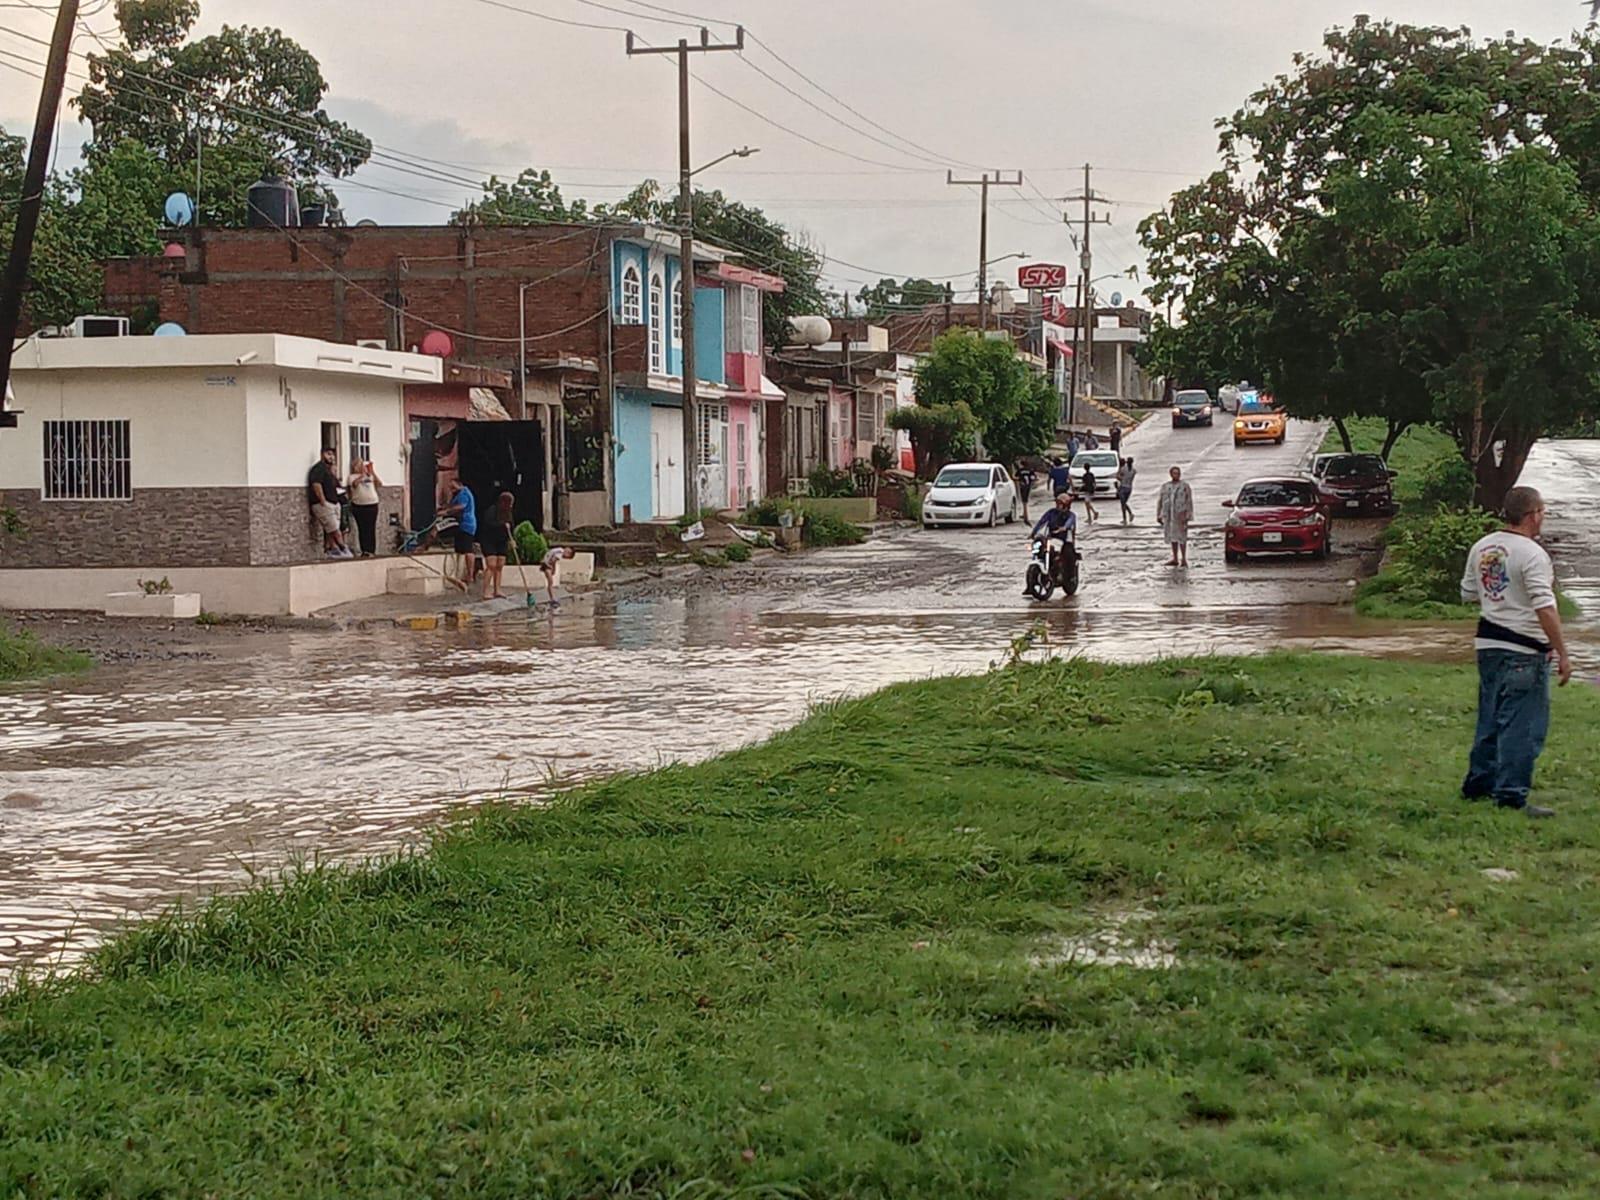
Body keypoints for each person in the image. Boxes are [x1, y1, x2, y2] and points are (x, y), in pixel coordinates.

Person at [1459, 486, 1571, 818]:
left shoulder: (1483, 546)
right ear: (1532, 514)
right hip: (1525, 648)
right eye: (1543, 513)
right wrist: (1563, 652)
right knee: (1523, 724)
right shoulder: (1533, 554)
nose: (1543, 519)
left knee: (1490, 716)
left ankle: (1479, 783)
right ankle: (1510, 795)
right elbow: (1545, 607)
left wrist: (1500, 600)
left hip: (1489, 644)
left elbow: (1468, 593)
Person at [307, 448, 352, 559]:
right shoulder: (319, 468)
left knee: (332, 528)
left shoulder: (329, 470)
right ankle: (343, 548)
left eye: (333, 455)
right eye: (328, 454)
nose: (331, 457)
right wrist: (323, 501)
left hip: (334, 503)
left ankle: (333, 549)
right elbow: (316, 484)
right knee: (333, 528)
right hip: (324, 504)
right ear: (322, 455)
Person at [478, 491, 514, 600]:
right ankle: (485, 591)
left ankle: (497, 589)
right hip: (489, 540)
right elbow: (489, 524)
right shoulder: (492, 511)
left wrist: (512, 539)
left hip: (502, 541)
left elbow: (511, 525)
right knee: (491, 565)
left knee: (500, 565)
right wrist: (502, 525)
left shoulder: (508, 513)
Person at [442, 480, 479, 588]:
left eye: (453, 487)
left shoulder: (464, 493)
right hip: (461, 524)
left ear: (459, 484)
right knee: (460, 550)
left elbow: (460, 507)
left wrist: (447, 512)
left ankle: (470, 575)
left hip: (467, 524)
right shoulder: (458, 494)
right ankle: (459, 573)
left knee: (468, 549)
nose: (451, 489)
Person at [1156, 465, 1194, 566]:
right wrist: (1159, 514)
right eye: (1174, 473)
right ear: (1171, 474)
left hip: (1181, 515)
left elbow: (1189, 501)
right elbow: (1160, 501)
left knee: (1182, 537)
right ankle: (1175, 558)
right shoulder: (1166, 486)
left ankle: (1184, 559)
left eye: (1178, 473)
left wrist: (1188, 515)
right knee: (1173, 537)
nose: (1176, 475)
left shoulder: (1184, 486)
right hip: (1169, 516)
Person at [347, 457, 383, 558]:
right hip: (359, 505)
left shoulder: (370, 476)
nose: (361, 466)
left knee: (371, 528)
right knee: (362, 528)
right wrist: (362, 475)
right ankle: (364, 550)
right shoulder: (352, 477)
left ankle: (371, 550)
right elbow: (354, 485)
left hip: (372, 504)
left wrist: (372, 472)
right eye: (359, 465)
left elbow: (379, 484)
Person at [1115, 456, 1137, 525]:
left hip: (1123, 487)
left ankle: (1126, 517)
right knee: (1124, 503)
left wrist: (1121, 478)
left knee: (1123, 504)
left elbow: (1118, 476)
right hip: (1129, 488)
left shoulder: (1123, 469)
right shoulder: (1133, 470)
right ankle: (1129, 515)